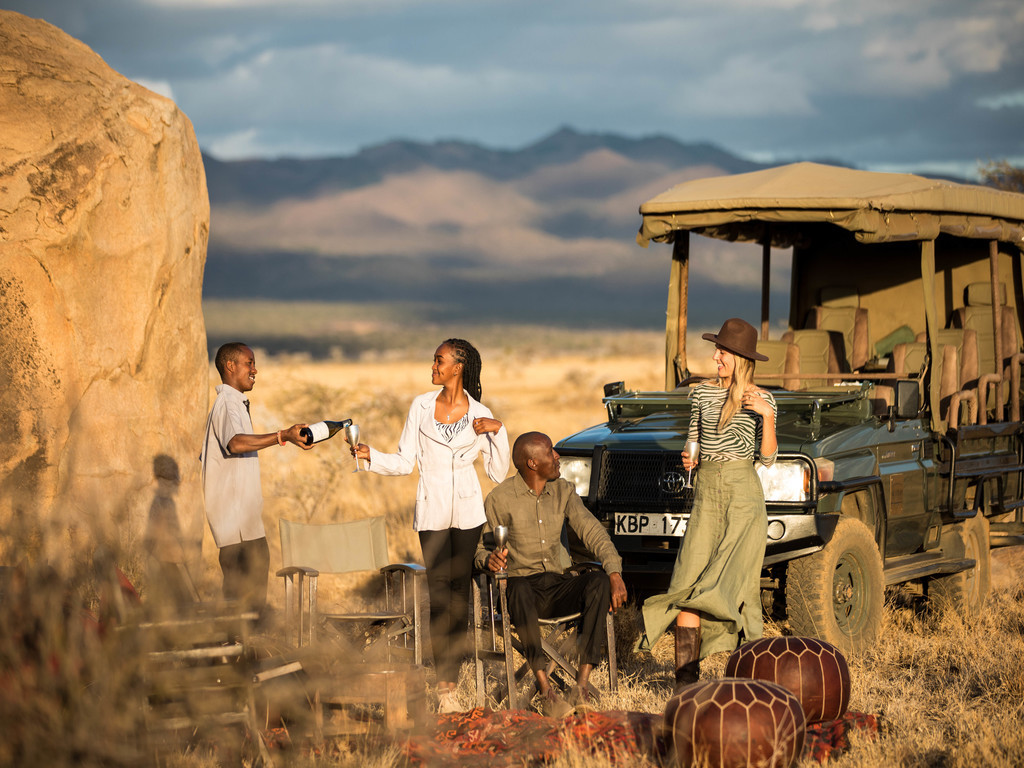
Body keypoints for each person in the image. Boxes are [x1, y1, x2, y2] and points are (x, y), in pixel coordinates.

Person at [352, 338, 509, 713]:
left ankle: (450, 685)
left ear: (458, 366)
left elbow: (498, 472)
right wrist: (372, 457)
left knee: (459, 596)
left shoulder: (481, 413)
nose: (433, 366)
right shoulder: (421, 407)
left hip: (468, 515)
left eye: (439, 360)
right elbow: (405, 462)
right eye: (434, 360)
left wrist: (498, 431)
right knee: (440, 597)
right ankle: (444, 691)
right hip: (432, 513)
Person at [641, 317, 777, 693]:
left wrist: (766, 416)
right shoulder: (701, 394)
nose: (716, 357)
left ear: (740, 358)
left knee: (739, 590)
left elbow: (768, 459)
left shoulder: (761, 399)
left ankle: (750, 685)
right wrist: (690, 456)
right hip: (706, 496)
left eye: (723, 352)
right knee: (687, 585)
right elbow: (693, 440)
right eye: (716, 350)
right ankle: (685, 687)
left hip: (743, 499)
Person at [476, 431, 628, 718]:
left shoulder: (564, 491)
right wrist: (490, 559)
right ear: (532, 463)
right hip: (522, 591)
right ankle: (546, 691)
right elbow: (480, 551)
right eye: (550, 452)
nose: (557, 456)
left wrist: (614, 571)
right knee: (519, 588)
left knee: (597, 581)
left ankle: (580, 686)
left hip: (559, 585)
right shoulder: (499, 499)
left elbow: (593, 532)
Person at [200, 342, 313, 617]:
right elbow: (236, 443)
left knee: (250, 607)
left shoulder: (236, 403)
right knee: (241, 609)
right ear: (230, 366)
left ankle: (243, 643)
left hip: (246, 524)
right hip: (236, 527)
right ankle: (233, 644)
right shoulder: (227, 403)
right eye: (249, 363)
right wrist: (282, 436)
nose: (255, 370)